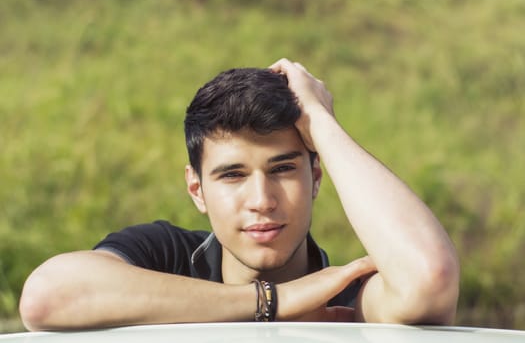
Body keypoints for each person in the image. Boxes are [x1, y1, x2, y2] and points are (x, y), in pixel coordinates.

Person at [19, 59, 459, 331]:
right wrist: (272, 302)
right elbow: (47, 297)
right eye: (232, 175)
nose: (262, 200)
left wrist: (322, 125)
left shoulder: (347, 297)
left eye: (284, 169)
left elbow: (430, 279)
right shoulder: (163, 256)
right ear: (197, 189)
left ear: (317, 176)